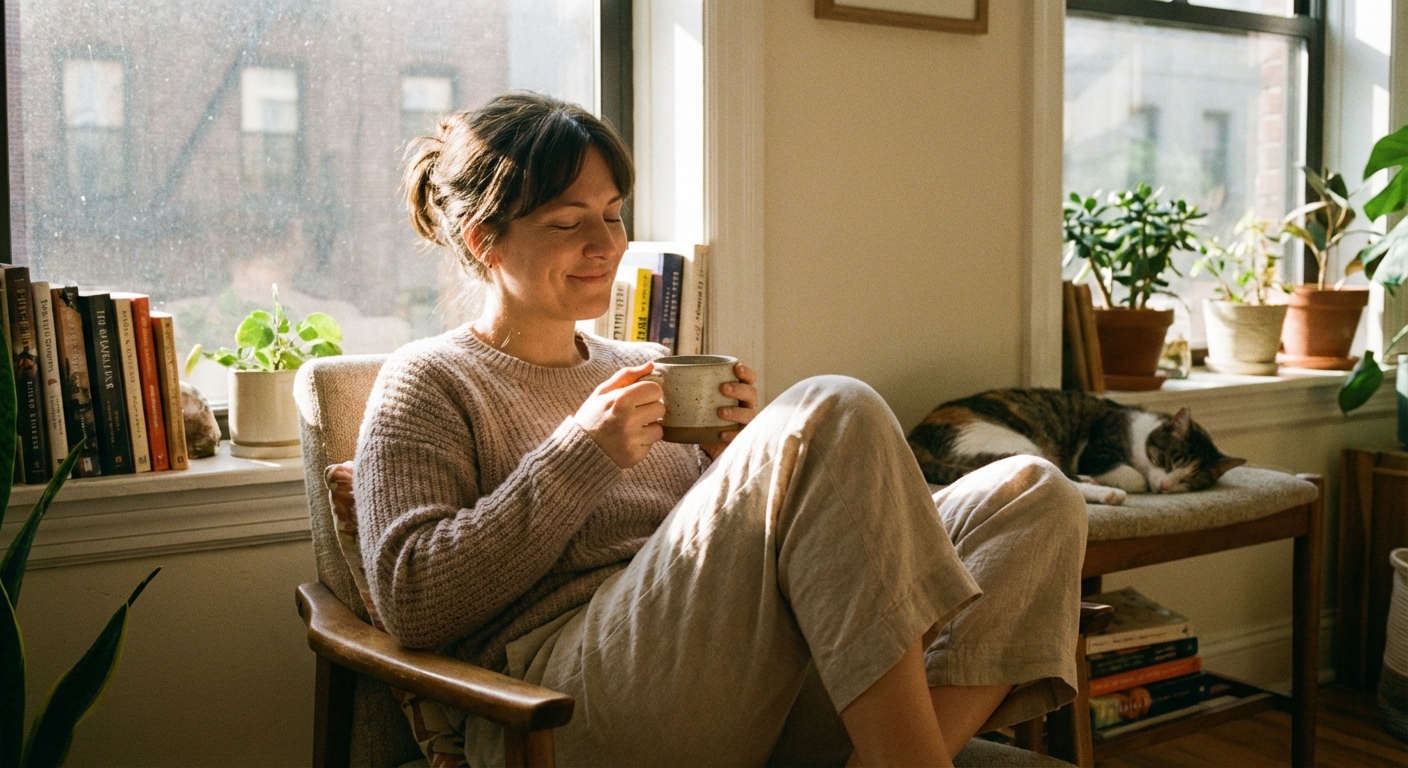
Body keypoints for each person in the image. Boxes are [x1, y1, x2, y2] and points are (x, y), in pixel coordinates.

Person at [353, 91, 1087, 767]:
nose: (606, 243)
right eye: (568, 222)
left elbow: (704, 564)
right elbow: (414, 602)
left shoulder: (646, 365)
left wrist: (734, 466)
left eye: (612, 213)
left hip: (729, 683)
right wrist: (582, 453)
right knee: (831, 407)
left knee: (1035, 497)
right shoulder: (429, 379)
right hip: (564, 699)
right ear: (486, 241)